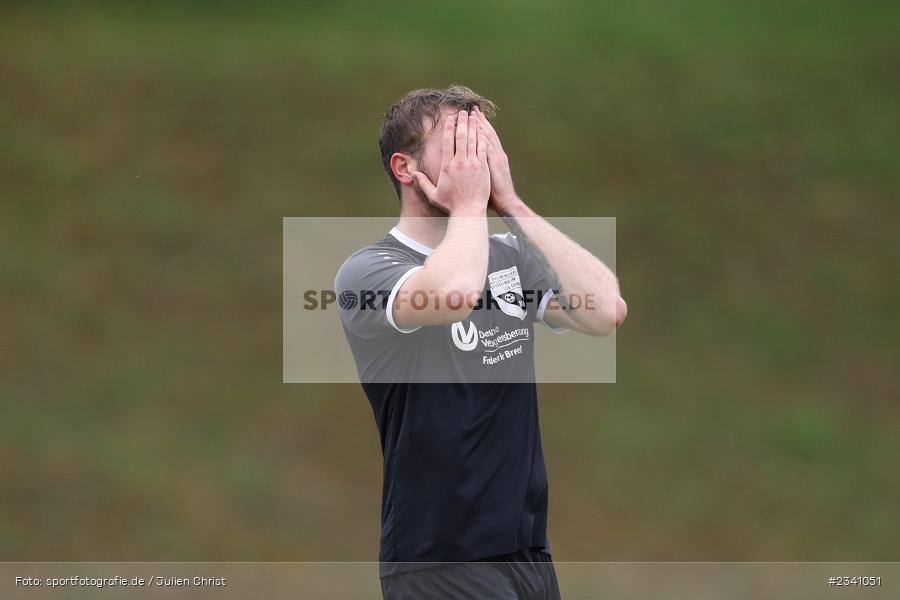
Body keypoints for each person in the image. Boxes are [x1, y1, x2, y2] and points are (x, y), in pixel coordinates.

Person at [335, 85, 626, 599]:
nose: (475, 163)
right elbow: (452, 292)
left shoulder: (510, 255)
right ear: (405, 168)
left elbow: (605, 312)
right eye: (458, 146)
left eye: (482, 146)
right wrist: (471, 205)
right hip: (439, 556)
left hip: (526, 548)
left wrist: (510, 203)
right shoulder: (367, 271)